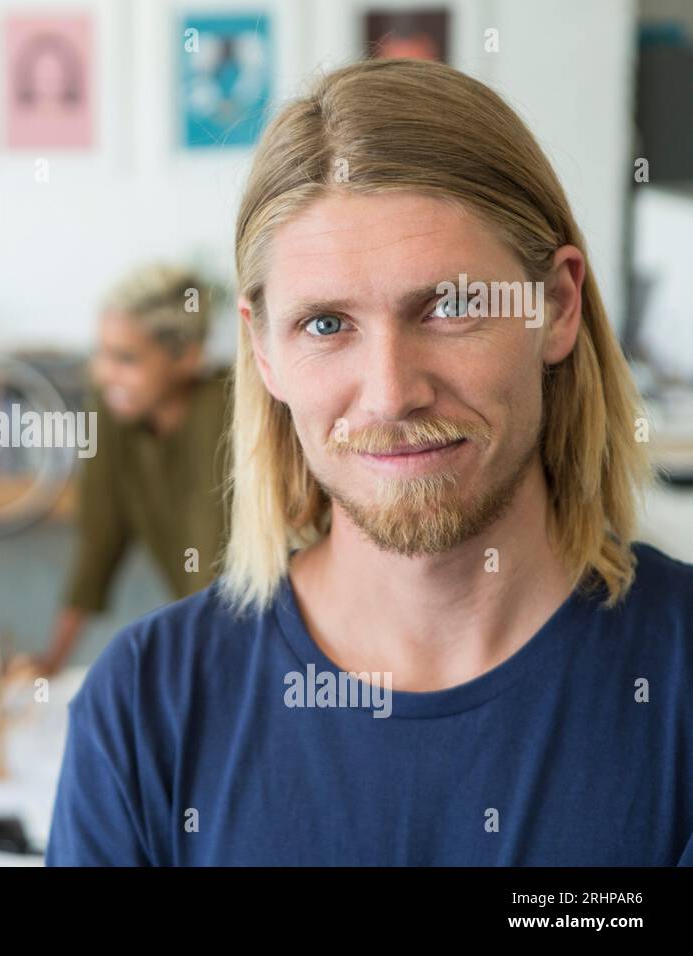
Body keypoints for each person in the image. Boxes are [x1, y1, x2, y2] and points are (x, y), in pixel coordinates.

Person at [47, 58, 693, 866]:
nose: (390, 395)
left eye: (452, 306)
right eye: (325, 325)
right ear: (265, 352)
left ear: (556, 306)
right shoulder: (144, 709)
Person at [32, 263, 230, 676]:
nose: (103, 373)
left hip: (260, 642)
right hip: (209, 642)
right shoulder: (114, 408)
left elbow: (212, 568)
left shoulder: (224, 410)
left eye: (126, 358)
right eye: (100, 353)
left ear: (188, 357)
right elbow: (99, 539)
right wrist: (51, 663)